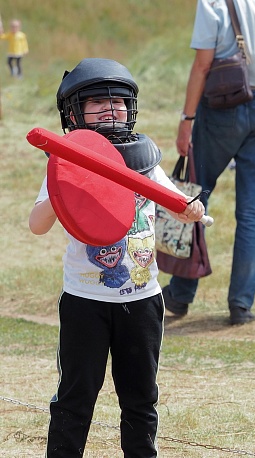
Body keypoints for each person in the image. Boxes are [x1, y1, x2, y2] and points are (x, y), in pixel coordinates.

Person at [29, 58, 206, 457]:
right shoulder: (65, 162)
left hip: (142, 299)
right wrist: (66, 184)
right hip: (85, 301)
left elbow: (176, 204)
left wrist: (189, 208)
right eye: (97, 102)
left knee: (141, 399)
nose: (111, 109)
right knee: (75, 400)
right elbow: (37, 224)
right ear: (74, 112)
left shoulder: (145, 158)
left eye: (119, 101)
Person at [163, 0, 255, 325]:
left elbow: (202, 65)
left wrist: (186, 119)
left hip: (221, 106)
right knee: (253, 211)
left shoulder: (213, 3)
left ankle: (181, 294)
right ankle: (241, 304)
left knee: (194, 196)